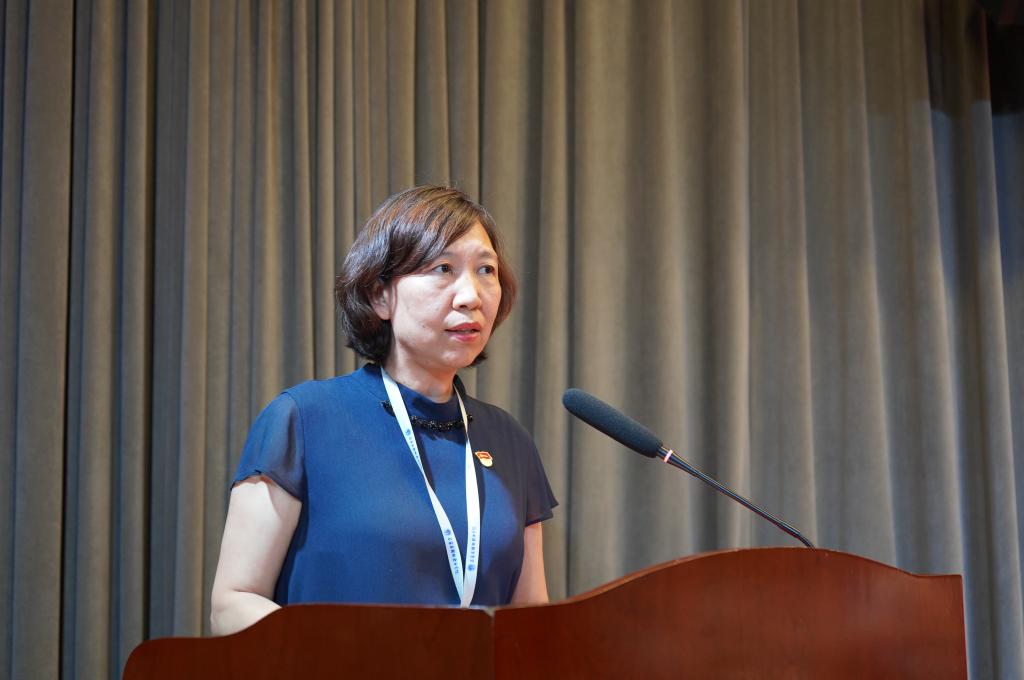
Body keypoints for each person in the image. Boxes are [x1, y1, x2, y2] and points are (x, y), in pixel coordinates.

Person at [210, 185, 557, 636]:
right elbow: (232, 604)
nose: (471, 296)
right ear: (380, 296)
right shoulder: (304, 420)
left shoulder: (509, 440)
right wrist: (339, 661)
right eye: (443, 269)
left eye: (485, 270)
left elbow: (533, 622)